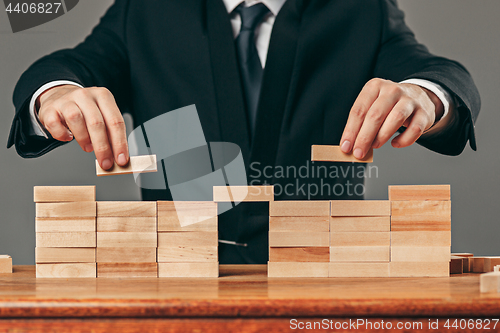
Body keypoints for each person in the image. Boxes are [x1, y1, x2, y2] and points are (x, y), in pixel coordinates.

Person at [7, 0, 480, 264]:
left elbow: (439, 74)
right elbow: (65, 66)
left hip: (322, 284)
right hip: (175, 285)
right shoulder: (146, 11)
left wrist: (425, 95)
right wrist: (57, 93)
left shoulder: (361, 12)